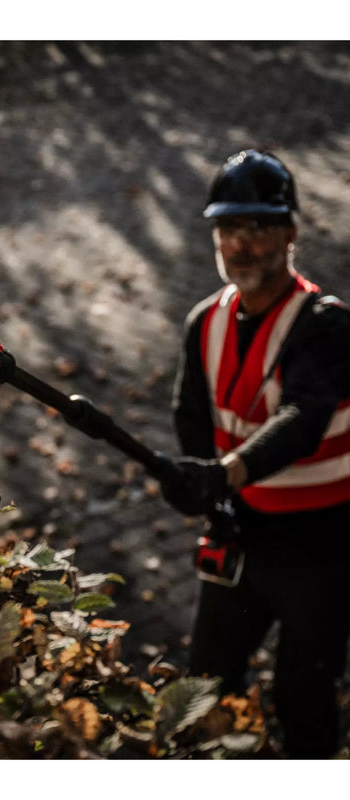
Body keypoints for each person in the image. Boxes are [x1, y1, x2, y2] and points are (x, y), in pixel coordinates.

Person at [158, 149, 350, 758]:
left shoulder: (327, 327)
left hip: (324, 548)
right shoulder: (204, 322)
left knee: (304, 699)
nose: (240, 245)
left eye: (257, 228)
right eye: (227, 229)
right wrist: (198, 484)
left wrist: (222, 475)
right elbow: (191, 415)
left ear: (290, 234)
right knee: (205, 684)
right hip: (242, 534)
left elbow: (302, 420)